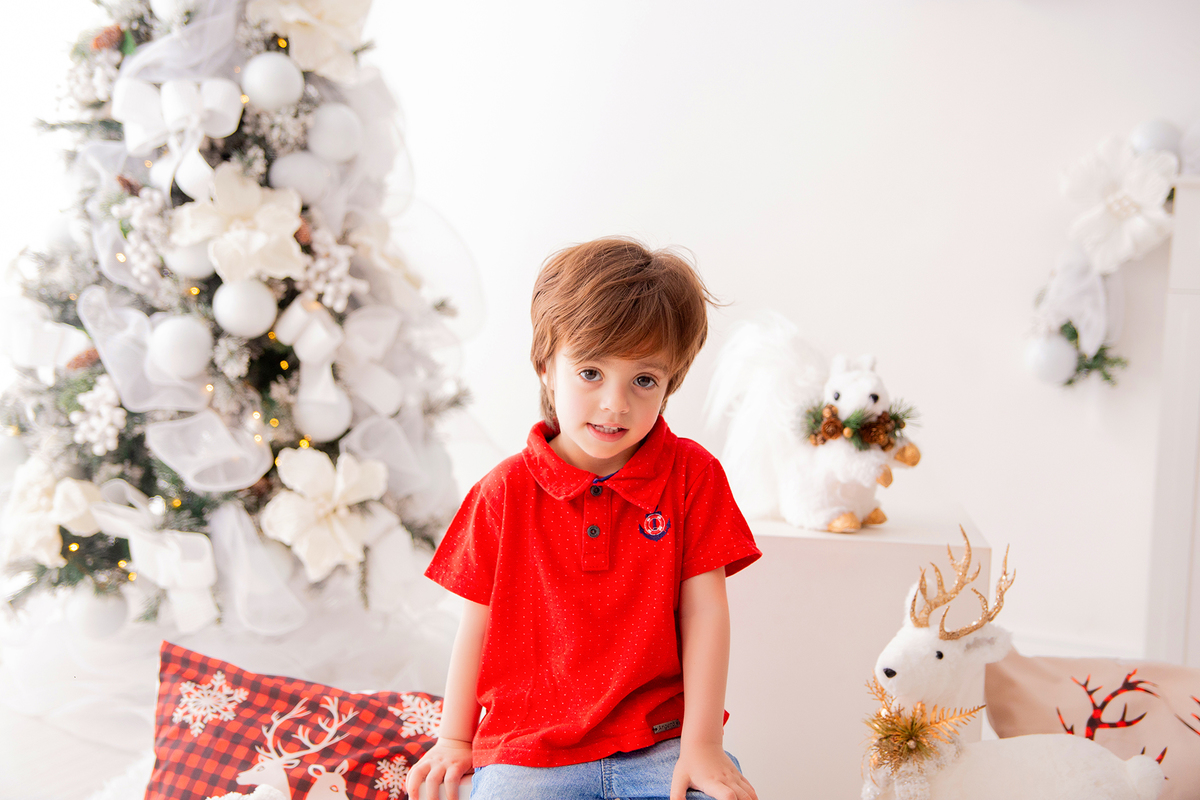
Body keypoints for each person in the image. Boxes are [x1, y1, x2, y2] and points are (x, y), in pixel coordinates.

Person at [405, 237, 761, 800]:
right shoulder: (503, 492)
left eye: (644, 380)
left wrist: (703, 746)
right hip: (527, 750)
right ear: (547, 366)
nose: (615, 403)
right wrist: (454, 739)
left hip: (662, 742)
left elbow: (706, 614)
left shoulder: (694, 475)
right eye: (591, 372)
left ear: (672, 382)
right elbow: (475, 625)